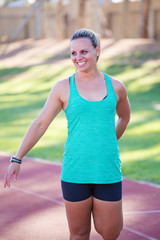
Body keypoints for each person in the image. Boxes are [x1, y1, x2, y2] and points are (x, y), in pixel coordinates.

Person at [4, 28, 130, 240]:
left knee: (111, 231)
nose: (78, 58)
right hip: (75, 171)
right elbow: (40, 123)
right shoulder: (62, 88)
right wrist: (17, 158)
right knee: (79, 234)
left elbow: (124, 118)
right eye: (73, 53)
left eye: (83, 52)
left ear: (97, 51)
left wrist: (106, 141)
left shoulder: (116, 87)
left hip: (107, 169)